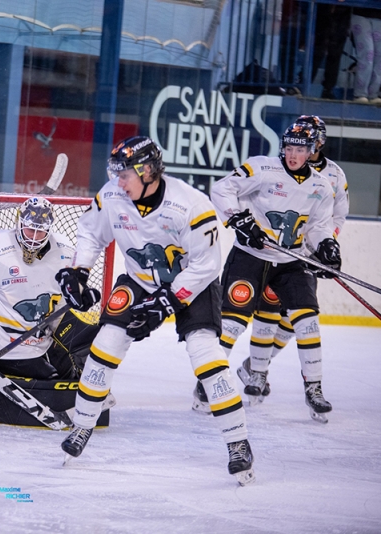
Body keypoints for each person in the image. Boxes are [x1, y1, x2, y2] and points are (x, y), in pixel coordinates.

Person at [56, 136, 255, 486]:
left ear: (148, 171)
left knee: (206, 355)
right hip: (140, 280)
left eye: (125, 174)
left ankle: (238, 443)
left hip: (191, 285)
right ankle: (82, 426)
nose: (118, 182)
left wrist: (168, 301)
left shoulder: (192, 204)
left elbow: (207, 266)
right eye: (115, 174)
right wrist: (79, 271)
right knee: (106, 344)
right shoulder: (113, 196)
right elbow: (90, 234)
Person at [204, 121, 340, 424]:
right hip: (251, 257)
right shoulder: (262, 168)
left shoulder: (321, 186)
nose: (293, 155)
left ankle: (314, 388)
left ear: (311, 150)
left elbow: (318, 227)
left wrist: (327, 246)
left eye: (300, 149)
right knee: (233, 324)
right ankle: (209, 381)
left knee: (307, 322)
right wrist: (238, 219)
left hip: (291, 262)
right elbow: (222, 188)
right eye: (289, 148)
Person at [0, 197, 101, 424]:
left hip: (39, 341)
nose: (34, 238)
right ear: (18, 222)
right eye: (30, 230)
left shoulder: (66, 253)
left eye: (41, 232)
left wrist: (81, 297)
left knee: (84, 353)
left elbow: (66, 299)